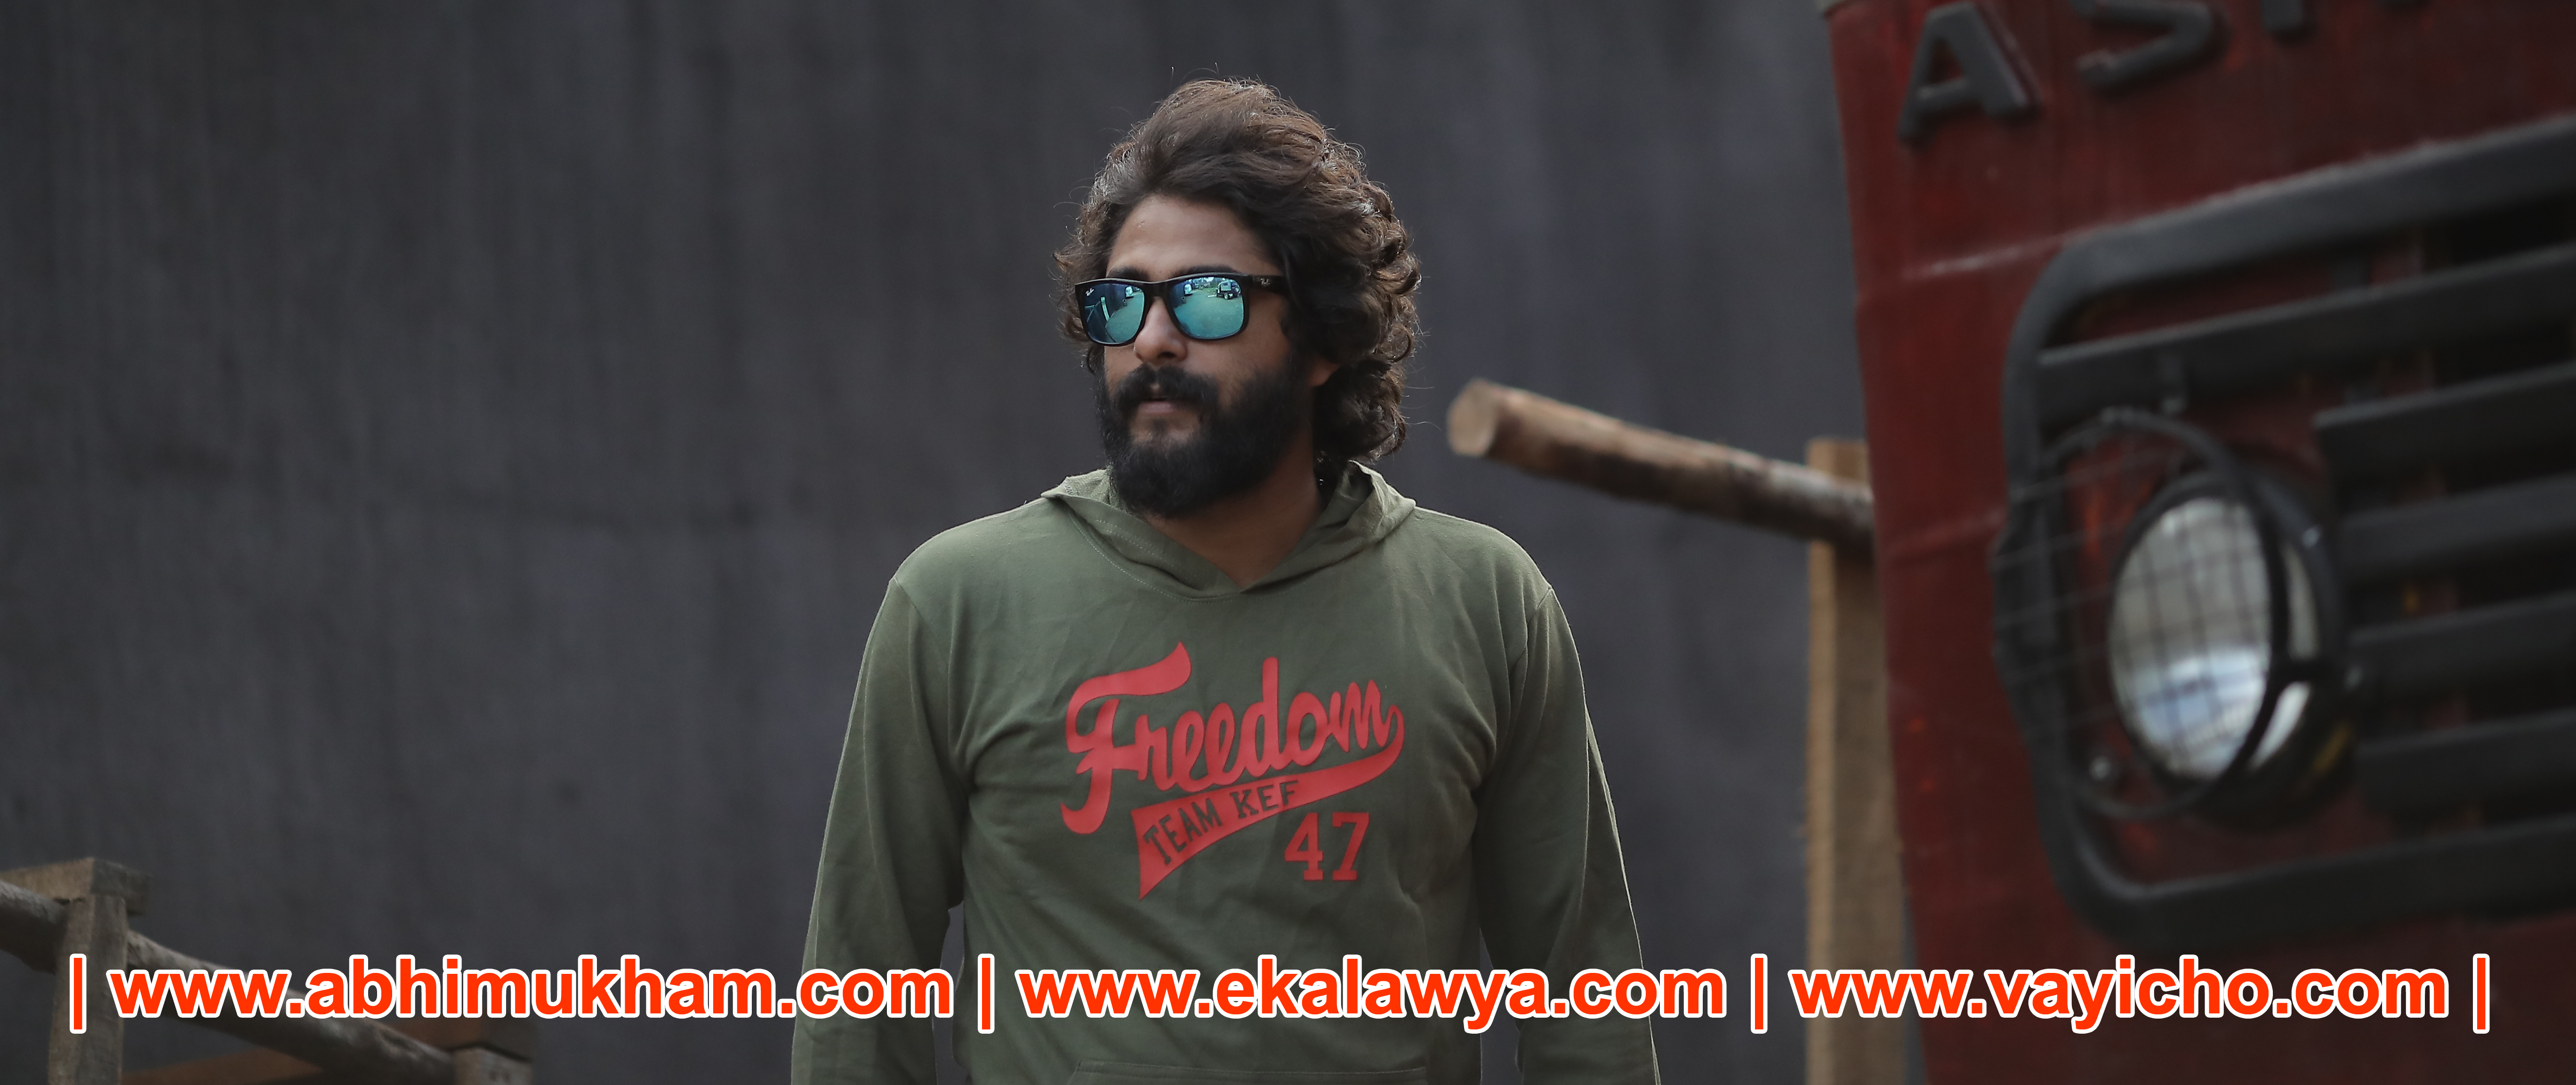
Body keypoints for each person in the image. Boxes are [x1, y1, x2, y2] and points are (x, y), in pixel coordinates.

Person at [792, 79, 1658, 1085]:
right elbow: (857, 996)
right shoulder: (958, 604)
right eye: (1121, 301)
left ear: (1324, 338)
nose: (1152, 339)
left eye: (1208, 298)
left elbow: (1586, 999)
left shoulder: (1482, 602)